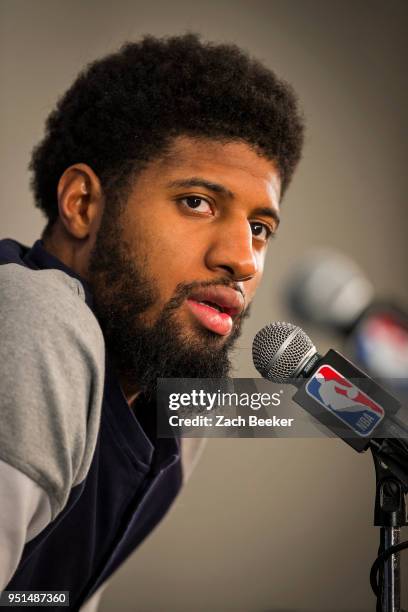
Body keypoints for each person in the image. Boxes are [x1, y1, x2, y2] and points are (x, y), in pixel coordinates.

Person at [0, 33, 304, 610]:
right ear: (84, 204)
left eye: (260, 228)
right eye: (197, 202)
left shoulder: (178, 404)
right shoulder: (35, 321)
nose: (242, 258)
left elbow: (38, 599)